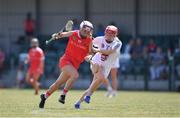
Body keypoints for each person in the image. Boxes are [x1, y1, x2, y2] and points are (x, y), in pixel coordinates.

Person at [39, 20, 94, 108]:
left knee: (58, 83)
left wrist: (89, 56)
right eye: (85, 30)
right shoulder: (74, 33)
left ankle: (44, 96)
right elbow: (62, 34)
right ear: (80, 29)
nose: (86, 32)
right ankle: (63, 95)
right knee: (75, 75)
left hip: (75, 65)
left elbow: (90, 52)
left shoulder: (89, 40)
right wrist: (56, 36)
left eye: (88, 31)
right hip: (66, 61)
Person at [74, 25, 122, 109]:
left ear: (115, 35)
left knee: (92, 86)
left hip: (106, 68)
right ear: (105, 32)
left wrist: (97, 50)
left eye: (111, 34)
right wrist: (89, 54)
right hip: (96, 62)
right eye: (108, 33)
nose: (109, 35)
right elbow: (89, 43)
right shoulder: (100, 39)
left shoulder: (118, 43)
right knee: (100, 78)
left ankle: (78, 102)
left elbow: (109, 52)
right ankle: (88, 96)